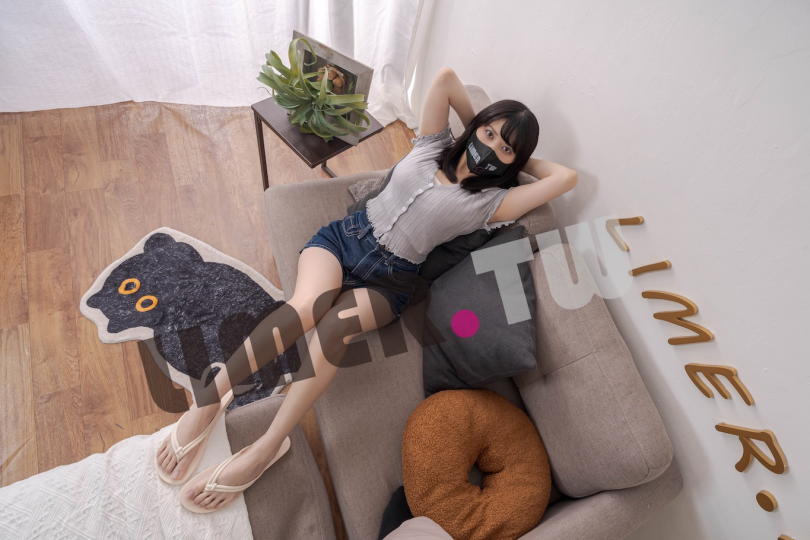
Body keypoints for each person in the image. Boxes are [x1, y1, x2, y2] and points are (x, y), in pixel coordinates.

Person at [156, 66, 578, 512]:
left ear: (513, 162)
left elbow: (565, 178)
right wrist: (482, 128)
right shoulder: (432, 144)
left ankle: (267, 447)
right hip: (344, 240)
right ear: (476, 126)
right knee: (305, 307)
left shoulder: (491, 203)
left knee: (334, 329)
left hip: (391, 279)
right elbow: (445, 79)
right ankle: (210, 401)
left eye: (505, 148)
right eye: (488, 133)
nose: (490, 148)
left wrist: (516, 158)